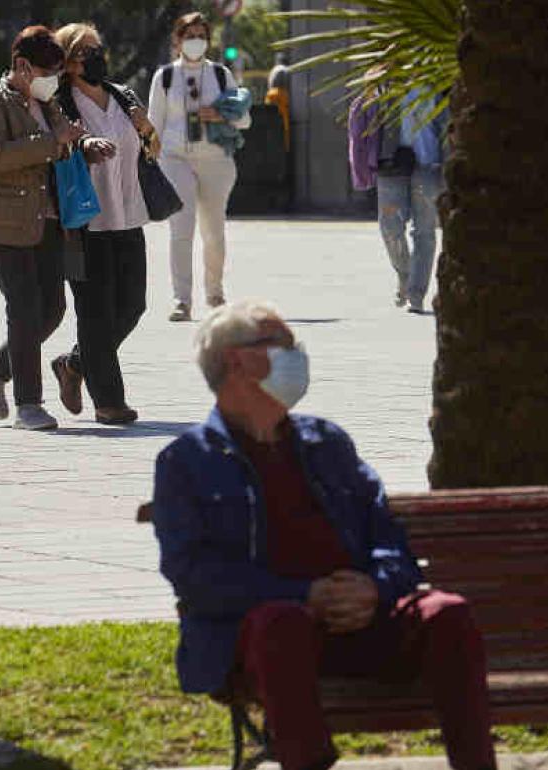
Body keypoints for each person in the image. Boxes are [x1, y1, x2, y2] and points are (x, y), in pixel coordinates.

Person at [151, 299, 497, 770]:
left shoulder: (326, 442)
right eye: (283, 344)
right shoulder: (186, 461)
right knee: (282, 624)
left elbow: (388, 537)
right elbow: (195, 575)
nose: (297, 355)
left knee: (445, 613)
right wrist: (305, 596)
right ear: (236, 360)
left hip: (364, 621)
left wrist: (374, 587)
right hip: (266, 640)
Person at [0, 26, 114, 431]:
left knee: (53, 308)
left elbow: (62, 138)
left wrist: (85, 146)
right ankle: (28, 404)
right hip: (0, 221)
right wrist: (53, 142)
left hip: (45, 218)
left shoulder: (46, 101)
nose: (53, 80)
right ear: (20, 66)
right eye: (46, 72)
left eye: (58, 73)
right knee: (25, 306)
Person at [48, 22, 154, 426]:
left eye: (98, 49)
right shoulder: (59, 102)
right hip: (86, 218)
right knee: (95, 311)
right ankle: (109, 400)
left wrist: (147, 129)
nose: (95, 57)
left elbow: (146, 145)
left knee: (132, 305)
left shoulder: (122, 95)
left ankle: (74, 364)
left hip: (128, 212)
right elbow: (55, 143)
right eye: (85, 51)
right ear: (69, 63)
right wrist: (82, 144)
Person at [147, 11, 251, 323]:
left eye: (201, 36)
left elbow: (244, 119)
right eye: (189, 36)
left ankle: (215, 292)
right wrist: (149, 162)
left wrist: (220, 115)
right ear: (177, 40)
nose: (195, 42)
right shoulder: (164, 77)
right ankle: (182, 300)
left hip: (216, 159)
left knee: (214, 232)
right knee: (181, 229)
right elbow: (154, 124)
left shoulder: (220, 75)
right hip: (175, 157)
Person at [349, 88, 447, 313]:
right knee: (389, 226)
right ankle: (405, 273)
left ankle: (416, 293)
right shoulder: (387, 82)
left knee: (425, 231)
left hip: (428, 165)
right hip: (392, 163)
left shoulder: (439, 85)